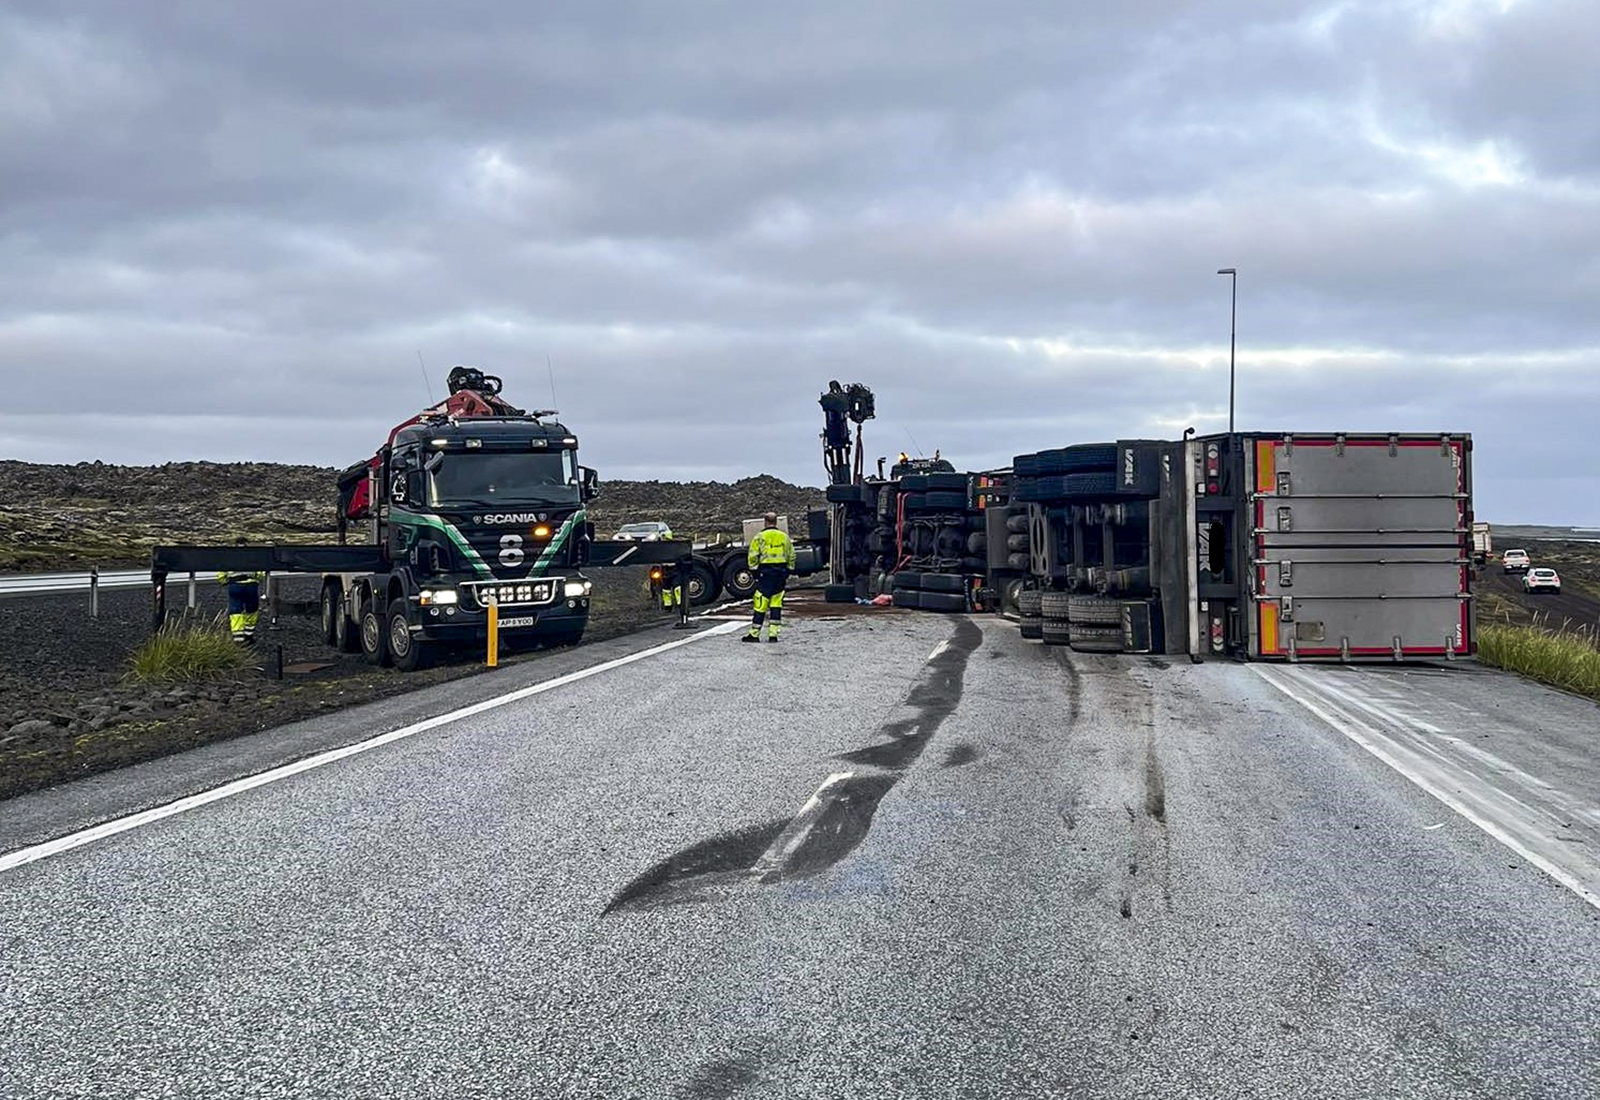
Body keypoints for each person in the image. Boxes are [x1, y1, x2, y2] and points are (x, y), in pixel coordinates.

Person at [743, 512, 795, 643]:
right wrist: (788, 570)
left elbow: (753, 556)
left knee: (760, 603)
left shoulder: (759, 537)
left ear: (765, 522)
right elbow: (792, 555)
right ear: (776, 522)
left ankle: (754, 634)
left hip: (765, 573)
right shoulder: (784, 537)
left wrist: (754, 572)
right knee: (776, 604)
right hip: (780, 574)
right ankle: (773, 634)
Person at [217, 570, 265, 645]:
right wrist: (258, 577)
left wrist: (223, 580)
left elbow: (222, 571)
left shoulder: (229, 557)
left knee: (236, 611)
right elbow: (260, 573)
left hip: (235, 584)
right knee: (252, 609)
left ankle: (238, 637)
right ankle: (248, 635)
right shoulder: (253, 557)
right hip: (251, 584)